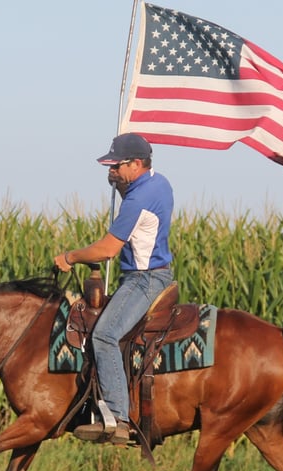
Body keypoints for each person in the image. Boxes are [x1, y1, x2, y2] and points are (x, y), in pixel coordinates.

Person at [53, 133, 174, 445]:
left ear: (135, 164)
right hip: (149, 274)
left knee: (105, 336)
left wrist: (70, 257)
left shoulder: (138, 199)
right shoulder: (158, 183)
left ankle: (119, 419)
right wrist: (120, 185)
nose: (110, 171)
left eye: (116, 166)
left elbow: (107, 249)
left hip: (144, 279)